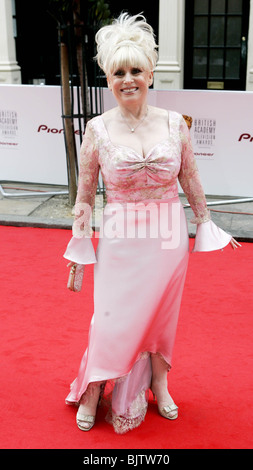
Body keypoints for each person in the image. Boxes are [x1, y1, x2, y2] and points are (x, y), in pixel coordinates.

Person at [63, 13, 240, 434]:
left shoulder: (174, 123)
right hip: (121, 238)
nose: (128, 79)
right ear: (108, 78)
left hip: (167, 238)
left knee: (162, 317)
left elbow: (191, 178)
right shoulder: (97, 129)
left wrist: (206, 223)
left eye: (136, 70)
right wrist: (78, 248)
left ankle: (159, 384)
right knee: (109, 317)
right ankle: (93, 388)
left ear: (150, 73)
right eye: (118, 72)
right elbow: (85, 195)